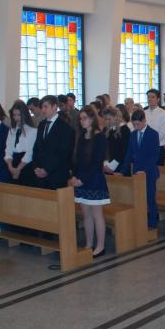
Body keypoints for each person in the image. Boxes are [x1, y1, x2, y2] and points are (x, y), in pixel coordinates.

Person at [70, 106, 110, 257]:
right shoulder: (81, 136)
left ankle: (100, 246)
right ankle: (89, 243)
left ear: (92, 119)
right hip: (81, 179)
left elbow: (96, 162)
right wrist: (74, 176)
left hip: (94, 179)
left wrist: (82, 179)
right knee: (86, 214)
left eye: (85, 118)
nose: (82, 121)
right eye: (80, 119)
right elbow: (77, 159)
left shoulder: (99, 137)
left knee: (96, 214)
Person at [120, 109, 160, 230]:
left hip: (149, 172)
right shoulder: (133, 134)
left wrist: (145, 171)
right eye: (134, 124)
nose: (136, 126)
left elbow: (154, 156)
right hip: (137, 172)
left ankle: (153, 224)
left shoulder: (153, 134)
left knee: (150, 198)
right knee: (139, 199)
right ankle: (141, 223)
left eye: (138, 124)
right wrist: (122, 171)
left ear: (144, 121)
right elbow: (129, 154)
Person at [32, 95, 75, 189]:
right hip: (40, 173)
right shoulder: (41, 125)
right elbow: (36, 147)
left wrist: (47, 170)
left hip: (56, 175)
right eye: (42, 107)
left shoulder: (65, 128)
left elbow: (63, 153)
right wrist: (36, 167)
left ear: (55, 107)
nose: (43, 110)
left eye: (46, 106)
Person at [4, 100, 38, 186]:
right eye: (14, 115)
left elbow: (30, 152)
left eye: (19, 115)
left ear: (24, 114)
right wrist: (10, 167)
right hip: (13, 162)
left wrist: (18, 169)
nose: (16, 118)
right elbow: (8, 149)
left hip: (25, 165)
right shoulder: (12, 130)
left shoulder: (32, 130)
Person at [102, 107, 130, 174]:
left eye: (109, 119)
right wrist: (105, 163)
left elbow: (124, 151)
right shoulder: (105, 130)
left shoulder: (124, 130)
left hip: (120, 167)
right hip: (107, 166)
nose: (107, 121)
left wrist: (112, 166)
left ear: (116, 117)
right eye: (105, 119)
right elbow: (103, 149)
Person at [144, 89, 165, 166]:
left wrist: (150, 142)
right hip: (145, 147)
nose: (150, 99)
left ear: (158, 99)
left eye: (153, 97)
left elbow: (162, 132)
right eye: (148, 97)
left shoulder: (164, 113)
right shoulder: (144, 112)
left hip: (158, 146)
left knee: (157, 171)